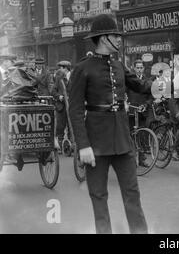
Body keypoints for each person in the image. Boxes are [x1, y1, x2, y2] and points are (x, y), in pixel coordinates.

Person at [68, 14, 149, 234]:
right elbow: (75, 110)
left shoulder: (118, 64)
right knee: (99, 197)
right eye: (116, 35)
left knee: (132, 194)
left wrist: (168, 83)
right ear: (104, 38)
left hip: (122, 141)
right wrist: (83, 145)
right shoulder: (82, 68)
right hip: (95, 144)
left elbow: (141, 87)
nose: (120, 39)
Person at [52, 61, 71, 153]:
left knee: (71, 126)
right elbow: (53, 91)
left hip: (70, 106)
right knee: (60, 126)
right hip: (61, 107)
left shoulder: (73, 78)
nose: (60, 69)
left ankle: (72, 146)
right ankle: (59, 145)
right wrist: (59, 96)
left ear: (66, 68)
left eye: (61, 67)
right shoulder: (59, 79)